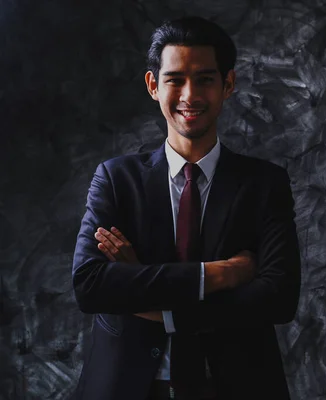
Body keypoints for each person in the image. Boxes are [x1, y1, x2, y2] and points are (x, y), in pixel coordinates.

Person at [71, 16, 301, 400]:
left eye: (206, 79)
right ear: (153, 85)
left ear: (228, 84)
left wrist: (149, 293)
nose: (190, 95)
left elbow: (278, 297)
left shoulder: (265, 184)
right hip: (124, 389)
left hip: (236, 389)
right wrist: (220, 275)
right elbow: (90, 285)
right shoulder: (116, 179)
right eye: (175, 79)